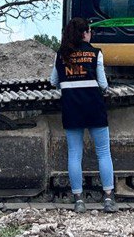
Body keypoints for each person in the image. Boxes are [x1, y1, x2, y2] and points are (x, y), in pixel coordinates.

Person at [49, 17, 117, 213]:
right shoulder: (95, 53)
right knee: (103, 152)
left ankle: (78, 200)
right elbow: (103, 84)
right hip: (94, 107)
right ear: (85, 33)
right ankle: (108, 198)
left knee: (74, 153)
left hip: (72, 107)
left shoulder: (61, 54)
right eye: (89, 31)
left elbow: (53, 81)